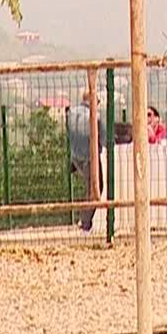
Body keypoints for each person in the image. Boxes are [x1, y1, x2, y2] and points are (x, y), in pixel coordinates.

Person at [67, 91, 97, 231]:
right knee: (95, 189)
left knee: (89, 187)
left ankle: (85, 220)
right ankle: (86, 222)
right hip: (89, 157)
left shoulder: (72, 113)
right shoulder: (92, 115)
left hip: (75, 156)